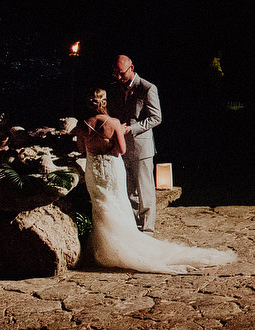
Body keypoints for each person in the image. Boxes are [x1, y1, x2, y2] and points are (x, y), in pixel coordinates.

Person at [76, 89, 235, 273]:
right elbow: (122, 150)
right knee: (118, 203)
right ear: (105, 103)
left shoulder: (81, 125)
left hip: (94, 171)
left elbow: (81, 148)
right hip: (111, 168)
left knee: (101, 205)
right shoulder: (113, 123)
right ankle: (123, 243)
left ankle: (104, 248)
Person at [108, 55, 162, 233]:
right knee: (129, 189)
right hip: (122, 146)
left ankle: (147, 230)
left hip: (141, 146)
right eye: (115, 73)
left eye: (121, 73)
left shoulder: (147, 88)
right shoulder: (115, 88)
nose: (118, 76)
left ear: (131, 67)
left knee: (144, 190)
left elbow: (156, 118)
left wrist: (132, 128)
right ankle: (134, 227)